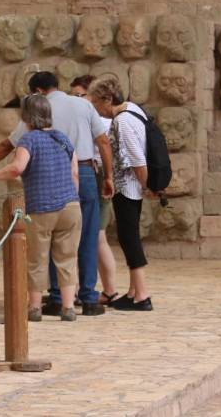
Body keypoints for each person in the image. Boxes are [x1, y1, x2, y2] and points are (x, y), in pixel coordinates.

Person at [0, 71, 114, 316]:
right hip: (85, 172)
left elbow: (8, 145)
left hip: (48, 178)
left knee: (46, 242)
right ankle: (89, 298)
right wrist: (109, 177)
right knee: (87, 237)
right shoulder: (83, 105)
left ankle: (56, 298)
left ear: (37, 91)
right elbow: (103, 141)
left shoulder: (37, 108)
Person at [0, 94, 81, 321]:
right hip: (71, 206)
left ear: (26, 117)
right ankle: (68, 307)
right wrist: (72, 197)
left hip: (42, 206)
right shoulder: (63, 139)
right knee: (67, 258)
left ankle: (34, 308)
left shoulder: (29, 140)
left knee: (37, 258)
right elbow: (74, 172)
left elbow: (17, 167)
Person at [86, 77, 153, 311]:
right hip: (131, 185)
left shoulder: (122, 121)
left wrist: (147, 186)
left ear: (107, 99)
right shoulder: (133, 109)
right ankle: (134, 292)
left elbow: (137, 159)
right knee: (129, 236)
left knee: (129, 238)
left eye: (96, 103)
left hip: (129, 188)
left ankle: (142, 295)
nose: (95, 109)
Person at [70, 75, 119, 305]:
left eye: (81, 95)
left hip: (94, 175)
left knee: (96, 237)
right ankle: (95, 289)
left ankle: (106, 290)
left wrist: (107, 177)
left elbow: (103, 146)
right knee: (92, 237)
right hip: (92, 175)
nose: (77, 100)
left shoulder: (100, 120)